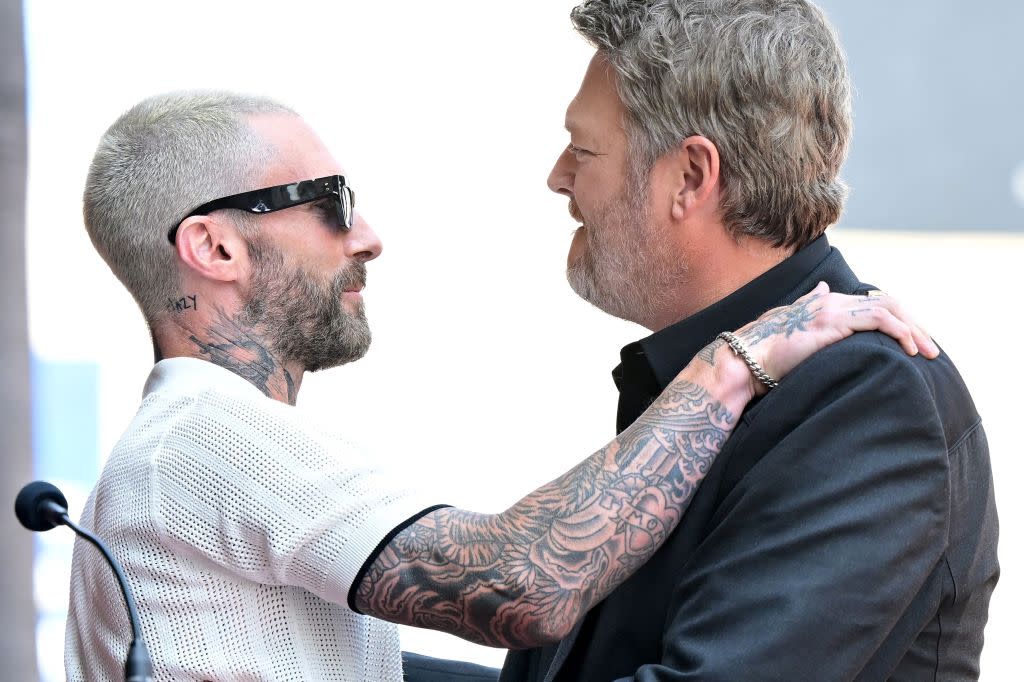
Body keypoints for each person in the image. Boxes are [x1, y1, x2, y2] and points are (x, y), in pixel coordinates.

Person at [65, 91, 932, 682]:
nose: (367, 235)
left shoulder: (177, 454)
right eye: (328, 201)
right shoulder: (209, 435)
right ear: (214, 248)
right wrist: (735, 361)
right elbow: (528, 584)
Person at [499, 1, 999, 681]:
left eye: (583, 150)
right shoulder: (711, 372)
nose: (559, 177)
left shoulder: (867, 403)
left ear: (691, 177)